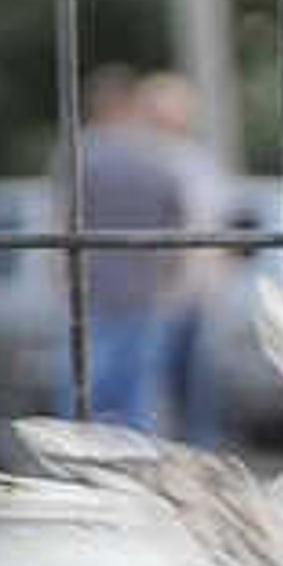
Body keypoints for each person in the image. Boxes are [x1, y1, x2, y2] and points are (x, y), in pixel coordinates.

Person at [68, 65, 194, 438]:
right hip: (146, 290)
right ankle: (136, 473)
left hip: (91, 291)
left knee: (83, 391)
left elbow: (62, 220)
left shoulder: (80, 153)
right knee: (139, 398)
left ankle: (78, 466)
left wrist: (61, 280)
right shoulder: (156, 157)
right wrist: (172, 279)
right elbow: (178, 223)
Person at [134, 67, 233, 448]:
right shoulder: (140, 160)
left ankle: (197, 463)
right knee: (151, 389)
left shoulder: (197, 161)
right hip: (152, 294)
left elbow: (214, 225)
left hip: (195, 292)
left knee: (198, 391)